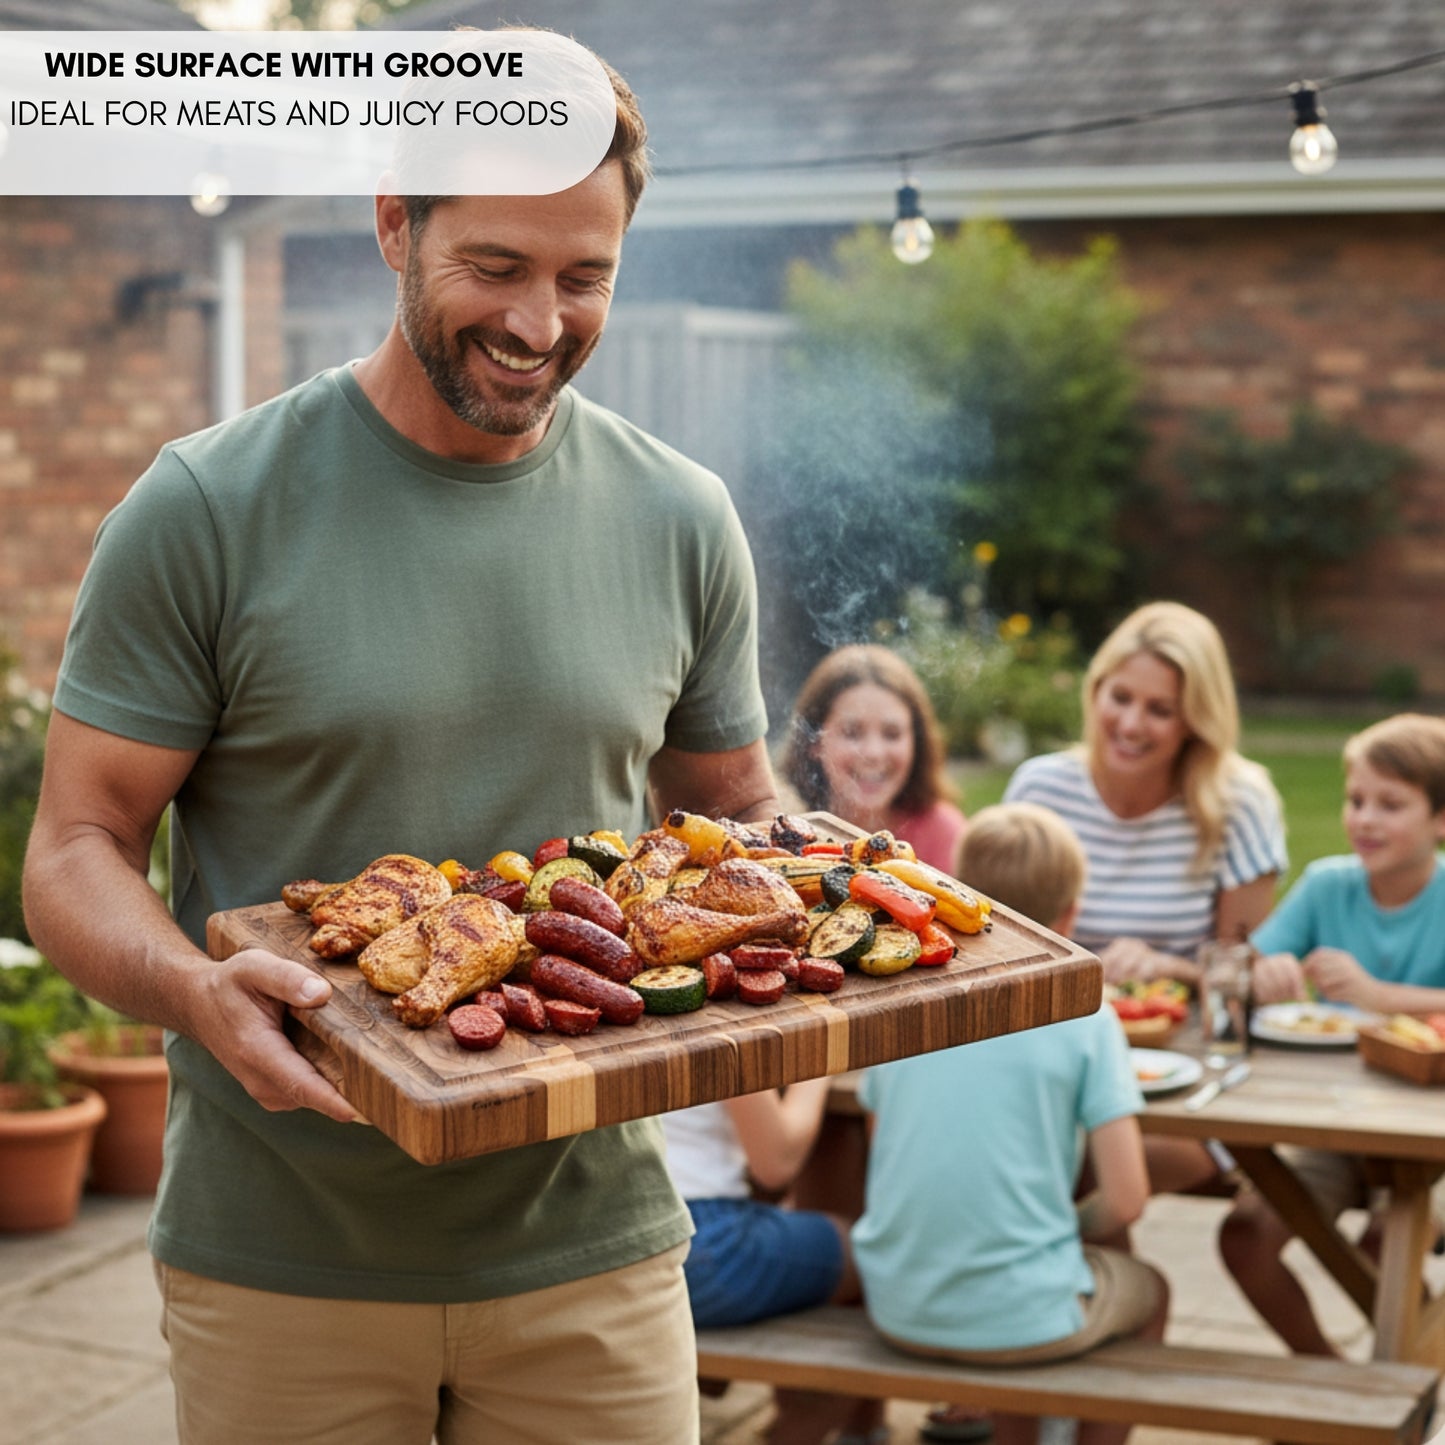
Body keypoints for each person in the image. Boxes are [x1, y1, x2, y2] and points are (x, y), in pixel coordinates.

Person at [21, 46, 782, 1445]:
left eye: (584, 275)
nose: (539, 321)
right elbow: (74, 846)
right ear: (393, 224)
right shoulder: (205, 506)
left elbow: (736, 819)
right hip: (284, 1252)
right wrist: (193, 991)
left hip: (593, 1247)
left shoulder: (681, 515)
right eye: (493, 264)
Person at [853, 802, 1169, 1445]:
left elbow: (880, 1147)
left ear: (958, 892)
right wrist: (1070, 1230)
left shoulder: (908, 1001)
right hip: (1019, 1322)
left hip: (895, 1305)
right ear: (1071, 915)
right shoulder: (1086, 1011)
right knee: (1151, 1293)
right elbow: (1128, 1198)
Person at [1003, 601, 1287, 1197]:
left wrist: (1169, 969)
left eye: (1160, 710)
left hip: (1189, 1082)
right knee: (1050, 1150)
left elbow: (1244, 986)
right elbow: (1003, 953)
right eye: (1120, 697)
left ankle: (1085, 1285)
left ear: (1195, 721)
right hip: (1061, 1063)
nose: (1132, 724)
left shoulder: (1239, 804)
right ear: (1096, 690)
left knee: (1071, 1165)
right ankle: (1098, 1285)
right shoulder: (1039, 788)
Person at [1220, 712, 1445, 1357]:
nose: (1365, 818)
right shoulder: (1327, 885)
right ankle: (1335, 1388)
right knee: (1247, 1233)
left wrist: (1381, 999)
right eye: (1356, 800)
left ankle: (1395, 1397)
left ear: (1440, 819)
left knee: (1387, 1245)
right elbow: (1239, 968)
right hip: (1339, 1119)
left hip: (1433, 1136)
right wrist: (1263, 972)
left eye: (1391, 804)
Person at [662, 1087, 884, 1445]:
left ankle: (863, 1426)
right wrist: (817, 1067)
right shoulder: (720, 1028)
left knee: (809, 1239)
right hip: (704, 1244)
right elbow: (776, 1162)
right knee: (871, 1254)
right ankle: (807, 1424)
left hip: (628, 1241)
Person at [779, 643, 967, 874]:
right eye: (852, 732)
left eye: (892, 734)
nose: (873, 753)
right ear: (813, 741)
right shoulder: (783, 827)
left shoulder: (944, 834)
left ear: (916, 741)